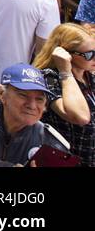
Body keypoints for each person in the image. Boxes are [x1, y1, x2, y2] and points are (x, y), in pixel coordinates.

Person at [33, 23, 95, 166]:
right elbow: (80, 116)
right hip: (66, 161)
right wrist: (65, 72)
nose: (94, 59)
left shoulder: (88, 77)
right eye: (89, 54)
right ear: (66, 54)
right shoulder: (49, 78)